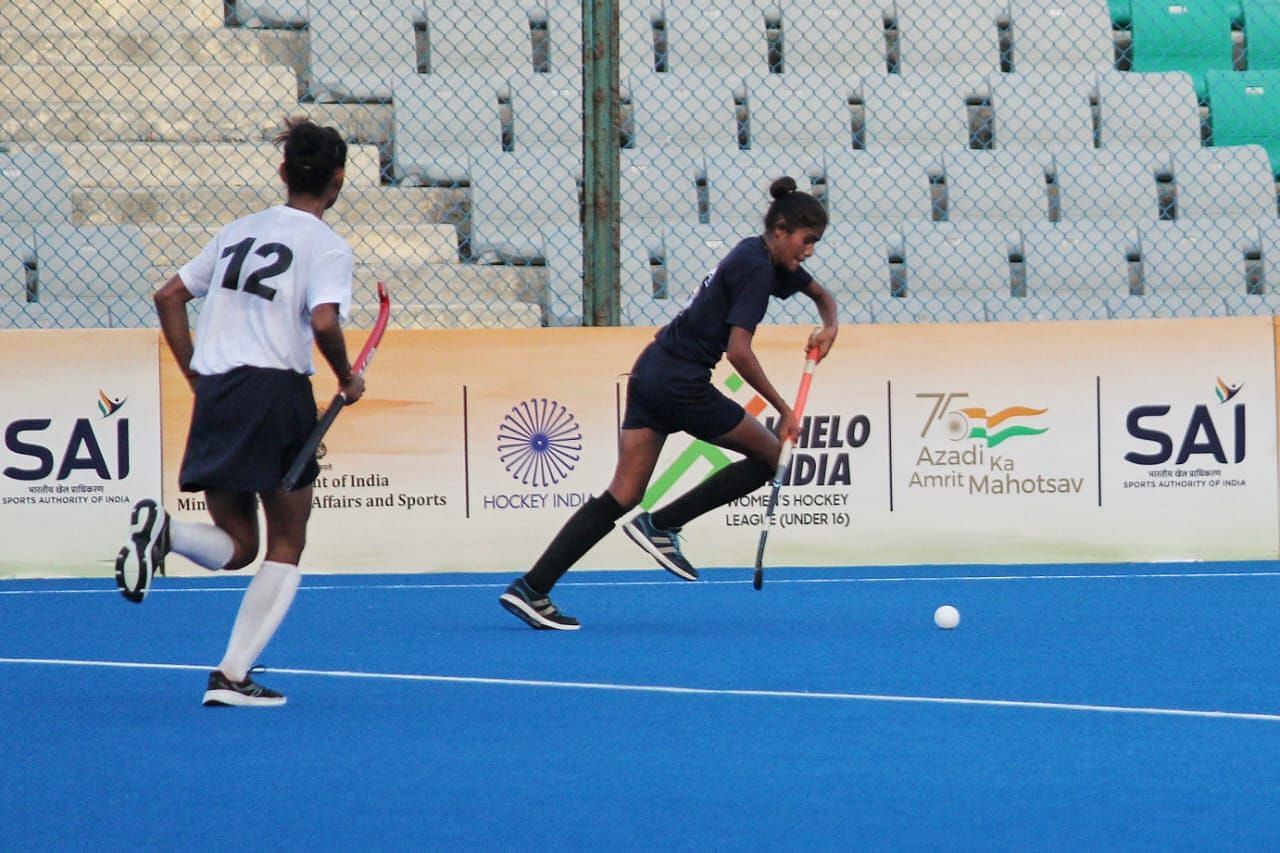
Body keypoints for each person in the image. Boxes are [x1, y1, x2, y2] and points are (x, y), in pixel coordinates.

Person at [500, 176, 839, 630]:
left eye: (815, 242)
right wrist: (784, 408)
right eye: (806, 240)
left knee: (622, 494)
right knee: (771, 456)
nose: (809, 250)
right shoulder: (757, 269)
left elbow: (821, 295)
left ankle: (532, 588)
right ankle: (661, 524)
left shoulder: (755, 253)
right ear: (781, 229)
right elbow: (739, 350)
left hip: (651, 371)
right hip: (680, 382)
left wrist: (829, 325)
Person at [114, 117, 364, 707]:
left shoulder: (236, 231)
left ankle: (167, 532)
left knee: (238, 543)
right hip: (276, 392)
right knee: (287, 539)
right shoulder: (327, 245)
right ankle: (231, 674)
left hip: (220, 390)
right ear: (338, 179)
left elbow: (169, 295)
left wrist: (197, 374)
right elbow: (324, 320)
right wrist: (346, 378)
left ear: (283, 172)